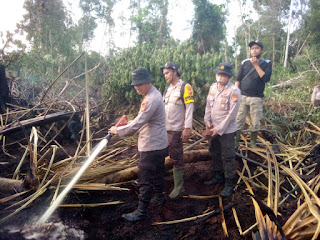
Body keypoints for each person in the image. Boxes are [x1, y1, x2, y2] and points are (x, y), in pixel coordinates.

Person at [108, 67, 168, 221]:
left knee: (145, 177)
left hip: (151, 145)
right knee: (158, 172)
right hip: (159, 144)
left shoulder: (151, 99)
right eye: (134, 85)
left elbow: (138, 123)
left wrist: (118, 130)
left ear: (148, 82)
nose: (136, 87)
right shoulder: (152, 94)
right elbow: (142, 119)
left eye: (139, 84)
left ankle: (141, 212)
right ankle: (159, 198)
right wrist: (124, 126)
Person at [203, 63, 241, 198]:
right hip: (213, 128)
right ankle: (217, 175)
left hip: (227, 131)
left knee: (228, 156)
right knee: (214, 152)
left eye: (223, 75)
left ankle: (229, 183)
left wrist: (218, 129)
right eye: (218, 74)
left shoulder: (234, 91)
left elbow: (231, 114)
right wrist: (207, 122)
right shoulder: (213, 88)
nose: (220, 77)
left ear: (229, 77)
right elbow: (208, 105)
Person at [161, 62, 194, 199]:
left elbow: (189, 107)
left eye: (167, 73)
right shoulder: (167, 90)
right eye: (164, 74)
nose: (166, 76)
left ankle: (179, 187)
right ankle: (166, 179)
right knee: (164, 154)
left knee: (177, 157)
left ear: (175, 71)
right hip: (165, 129)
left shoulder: (185, 87)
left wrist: (187, 127)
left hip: (176, 129)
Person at [235, 40, 272, 148]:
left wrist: (256, 65)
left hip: (256, 98)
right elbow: (238, 78)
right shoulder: (244, 62)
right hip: (243, 96)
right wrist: (236, 92)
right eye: (252, 48)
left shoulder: (267, 63)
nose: (254, 50)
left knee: (255, 122)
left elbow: (266, 78)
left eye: (256, 48)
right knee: (238, 120)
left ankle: (253, 143)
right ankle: (236, 142)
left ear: (261, 50)